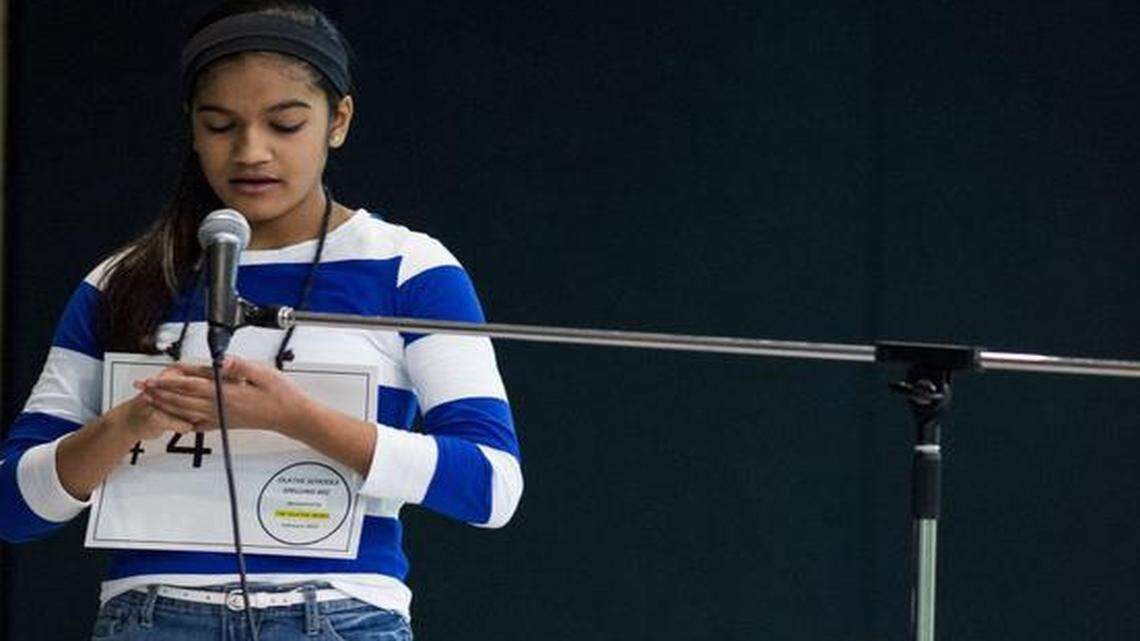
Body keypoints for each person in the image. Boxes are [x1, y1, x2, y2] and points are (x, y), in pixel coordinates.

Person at [0, 1, 522, 639]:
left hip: (339, 615)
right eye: (220, 125)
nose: (251, 151)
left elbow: (490, 486)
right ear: (192, 129)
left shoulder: (408, 268)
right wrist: (128, 422)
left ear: (338, 120)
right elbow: (13, 508)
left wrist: (294, 417)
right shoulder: (122, 280)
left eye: (285, 124)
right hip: (152, 616)